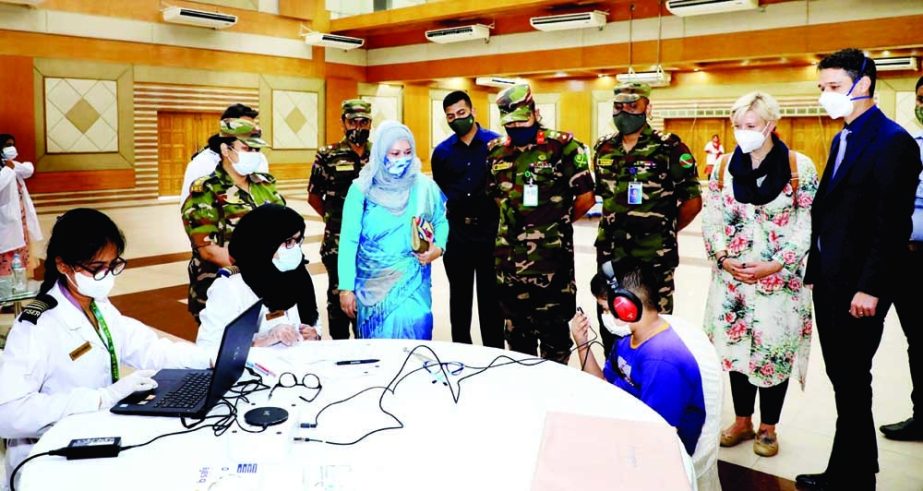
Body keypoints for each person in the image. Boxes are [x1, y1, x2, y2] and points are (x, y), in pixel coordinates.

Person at [0, 209, 211, 488]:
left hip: (91, 439)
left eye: (113, 265)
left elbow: (150, 348)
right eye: (97, 267)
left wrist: (210, 358)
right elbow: (8, 412)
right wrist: (100, 399)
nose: (107, 275)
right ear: (63, 265)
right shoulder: (37, 326)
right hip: (47, 461)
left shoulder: (98, 305)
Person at [798, 48, 923, 490]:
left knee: (851, 379)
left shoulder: (893, 142)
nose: (825, 97)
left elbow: (891, 227)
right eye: (822, 89)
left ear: (863, 85)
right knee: (846, 380)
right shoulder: (844, 137)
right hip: (832, 280)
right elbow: (831, 211)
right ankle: (853, 469)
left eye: (833, 87)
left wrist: (869, 288)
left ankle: (851, 476)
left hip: (859, 287)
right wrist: (815, 266)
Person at [702, 91, 818, 458]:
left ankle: (768, 427)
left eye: (750, 126)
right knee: (736, 353)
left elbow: (807, 227)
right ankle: (742, 420)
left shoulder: (800, 167)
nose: (742, 132)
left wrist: (777, 263)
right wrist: (722, 257)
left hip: (778, 285)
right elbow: (712, 218)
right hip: (732, 283)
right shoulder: (722, 168)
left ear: (770, 125)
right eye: (737, 125)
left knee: (773, 354)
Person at [487, 83, 595, 364]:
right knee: (517, 340)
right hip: (509, 267)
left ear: (536, 112)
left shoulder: (564, 147)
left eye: (523, 120)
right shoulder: (496, 152)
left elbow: (586, 198)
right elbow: (497, 199)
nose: (517, 126)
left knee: (555, 341)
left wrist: (553, 224)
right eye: (511, 123)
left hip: (552, 267)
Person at [592, 82, 702, 356]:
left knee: (655, 325)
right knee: (611, 321)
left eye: (632, 105)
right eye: (619, 105)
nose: (624, 111)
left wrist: (666, 228)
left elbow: (692, 201)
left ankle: (653, 380)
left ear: (647, 107)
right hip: (612, 252)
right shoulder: (604, 147)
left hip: (654, 255)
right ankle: (615, 375)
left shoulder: (669, 147)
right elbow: (603, 197)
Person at [569, 266, 709, 467]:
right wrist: (582, 343)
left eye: (607, 309)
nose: (604, 316)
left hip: (655, 454)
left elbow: (653, 440)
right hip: (629, 426)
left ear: (627, 308)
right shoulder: (628, 339)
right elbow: (603, 384)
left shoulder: (663, 361)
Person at [337, 121, 447, 340]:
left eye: (407, 152)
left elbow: (441, 221)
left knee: (418, 329)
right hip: (373, 286)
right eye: (394, 153)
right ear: (380, 153)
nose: (402, 159)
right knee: (379, 346)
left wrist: (438, 248)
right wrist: (346, 287)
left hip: (413, 280)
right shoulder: (361, 190)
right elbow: (349, 240)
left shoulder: (425, 186)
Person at [181, 120, 285, 323]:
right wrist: (258, 268)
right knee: (229, 348)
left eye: (257, 149)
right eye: (247, 148)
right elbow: (208, 250)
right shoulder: (206, 191)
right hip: (222, 286)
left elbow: (286, 229)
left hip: (267, 285)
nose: (254, 154)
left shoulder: (265, 185)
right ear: (225, 149)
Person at [431, 90, 504, 349]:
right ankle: (461, 351)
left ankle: (494, 352)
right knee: (459, 300)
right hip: (458, 233)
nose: (456, 119)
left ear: (473, 112)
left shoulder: (497, 145)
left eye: (461, 113)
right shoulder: (442, 152)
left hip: (490, 232)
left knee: (491, 300)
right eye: (450, 116)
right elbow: (440, 192)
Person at [197, 204, 320, 355]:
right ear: (265, 243)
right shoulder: (231, 287)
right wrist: (261, 341)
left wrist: (314, 335)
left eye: (297, 241)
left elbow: (313, 321)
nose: (294, 248)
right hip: (253, 373)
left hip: (297, 369)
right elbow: (208, 347)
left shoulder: (298, 277)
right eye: (288, 242)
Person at [880, 75, 923, 442]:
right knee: (918, 340)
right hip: (906, 257)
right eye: (921, 98)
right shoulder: (910, 144)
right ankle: (922, 415)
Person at [307, 99, 372, 340]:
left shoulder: (378, 153)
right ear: (343, 123)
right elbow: (314, 196)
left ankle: (367, 343)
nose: (358, 126)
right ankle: (339, 346)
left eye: (363, 121)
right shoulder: (328, 155)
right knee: (338, 298)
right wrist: (333, 218)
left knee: (368, 296)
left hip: (371, 242)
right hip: (338, 241)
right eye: (352, 121)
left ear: (370, 123)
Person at [179, 104, 268, 206]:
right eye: (243, 127)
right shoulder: (202, 163)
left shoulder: (259, 158)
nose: (250, 132)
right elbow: (190, 208)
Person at [0, 133, 41, 280]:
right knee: (6, 256)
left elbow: (28, 169)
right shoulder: (6, 169)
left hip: (20, 221)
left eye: (12, 145)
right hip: (5, 223)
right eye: (7, 145)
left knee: (20, 256)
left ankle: (18, 291)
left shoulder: (12, 165)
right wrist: (8, 169)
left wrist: (10, 166)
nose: (11, 148)